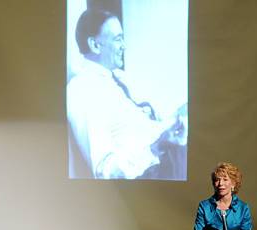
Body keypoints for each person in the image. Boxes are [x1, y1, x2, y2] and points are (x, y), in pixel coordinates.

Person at [67, 8, 187, 179]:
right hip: (152, 176)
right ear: (95, 45)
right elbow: (106, 170)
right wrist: (157, 147)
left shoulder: (119, 77)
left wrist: (175, 119)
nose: (124, 46)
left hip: (168, 157)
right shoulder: (83, 89)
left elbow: (146, 124)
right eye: (118, 39)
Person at [194, 162, 252, 230]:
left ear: (233, 183)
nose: (220, 183)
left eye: (225, 179)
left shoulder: (243, 208)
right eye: (217, 180)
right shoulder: (204, 207)